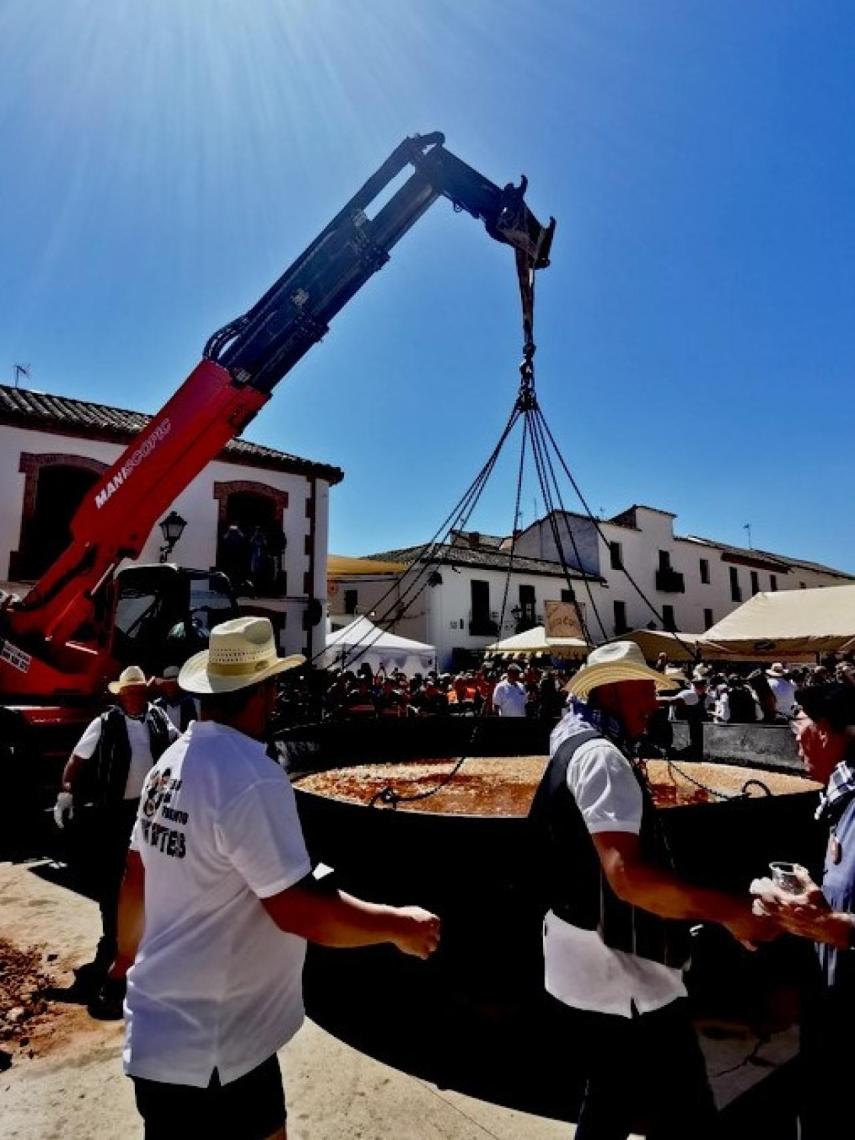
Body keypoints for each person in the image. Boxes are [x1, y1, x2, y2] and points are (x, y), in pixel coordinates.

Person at [112, 617, 440, 1138]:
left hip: (160, 1028)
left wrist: (123, 960)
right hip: (217, 1045)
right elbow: (295, 909)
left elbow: (136, 877)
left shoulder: (170, 762)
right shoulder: (250, 776)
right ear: (264, 690)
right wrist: (398, 926)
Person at [529, 641, 772, 1139]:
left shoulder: (572, 740)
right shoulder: (602, 758)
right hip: (622, 970)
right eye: (645, 689)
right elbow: (629, 879)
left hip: (588, 960)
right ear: (615, 690)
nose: (653, 703)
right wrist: (732, 912)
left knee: (612, 1094)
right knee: (683, 1105)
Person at [751, 683, 855, 1139]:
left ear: (828, 732)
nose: (794, 734)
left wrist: (831, 925)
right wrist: (807, 903)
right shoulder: (840, 800)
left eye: (802, 721)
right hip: (830, 1008)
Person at [53, 665, 177, 1011]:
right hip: (114, 814)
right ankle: (111, 956)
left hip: (150, 812)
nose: (135, 695)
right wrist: (65, 792)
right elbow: (75, 763)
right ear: (121, 694)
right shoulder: (104, 723)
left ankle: (144, 957)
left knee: (152, 884)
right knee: (114, 886)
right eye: (130, 691)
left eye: (139, 690)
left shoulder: (159, 719)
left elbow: (182, 748)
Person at [152, 665, 199, 731]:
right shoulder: (157, 705)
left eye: (173, 683)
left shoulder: (195, 703)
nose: (170, 687)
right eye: (167, 683)